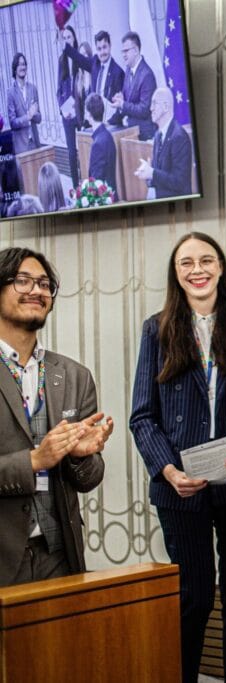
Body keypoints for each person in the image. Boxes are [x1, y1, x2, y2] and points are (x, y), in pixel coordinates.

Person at [129, 232, 226, 683]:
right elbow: (142, 416)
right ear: (176, 274)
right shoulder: (156, 330)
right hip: (180, 489)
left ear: (221, 267)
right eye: (186, 263)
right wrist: (169, 471)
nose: (197, 270)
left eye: (206, 260)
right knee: (194, 597)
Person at [0, 246, 112, 587]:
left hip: (59, 555)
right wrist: (34, 461)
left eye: (44, 284)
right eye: (22, 281)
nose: (36, 290)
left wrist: (80, 457)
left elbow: (89, 480)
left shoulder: (75, 376)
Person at [134, 88, 192, 198]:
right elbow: (158, 174)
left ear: (165, 107)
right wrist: (148, 175)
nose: (150, 108)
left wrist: (152, 173)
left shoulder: (179, 137)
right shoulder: (157, 135)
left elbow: (179, 182)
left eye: (154, 103)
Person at [111, 31, 156, 140]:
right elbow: (129, 98)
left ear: (136, 50)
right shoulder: (128, 69)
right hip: (132, 131)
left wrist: (123, 104)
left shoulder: (147, 75)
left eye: (126, 51)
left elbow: (144, 109)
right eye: (122, 51)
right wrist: (121, 99)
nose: (123, 55)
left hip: (144, 134)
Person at [62, 29, 124, 105]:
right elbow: (78, 58)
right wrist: (63, 44)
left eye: (104, 47)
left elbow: (119, 103)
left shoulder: (118, 72)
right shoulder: (94, 62)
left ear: (110, 45)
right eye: (99, 49)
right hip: (93, 111)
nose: (102, 52)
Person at [57, 25, 82, 188]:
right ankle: (75, 186)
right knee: (72, 153)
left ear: (74, 39)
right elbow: (58, 90)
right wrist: (63, 109)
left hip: (81, 112)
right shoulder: (62, 60)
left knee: (85, 149)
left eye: (69, 37)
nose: (67, 40)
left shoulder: (80, 58)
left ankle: (88, 182)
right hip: (67, 115)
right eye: (64, 38)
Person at [6, 53, 41, 155]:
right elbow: (13, 123)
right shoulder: (11, 93)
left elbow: (39, 118)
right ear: (15, 69)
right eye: (20, 65)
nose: (23, 67)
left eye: (24, 64)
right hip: (21, 147)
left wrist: (34, 114)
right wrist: (28, 117)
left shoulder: (33, 88)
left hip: (35, 143)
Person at [84, 94, 116, 189]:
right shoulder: (108, 135)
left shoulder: (97, 144)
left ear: (89, 114)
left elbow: (96, 180)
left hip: (104, 195)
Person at [74, 42, 93, 130]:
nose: (83, 57)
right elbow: (78, 105)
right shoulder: (78, 77)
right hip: (85, 124)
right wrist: (81, 124)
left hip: (96, 122)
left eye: (85, 54)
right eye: (81, 55)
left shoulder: (95, 73)